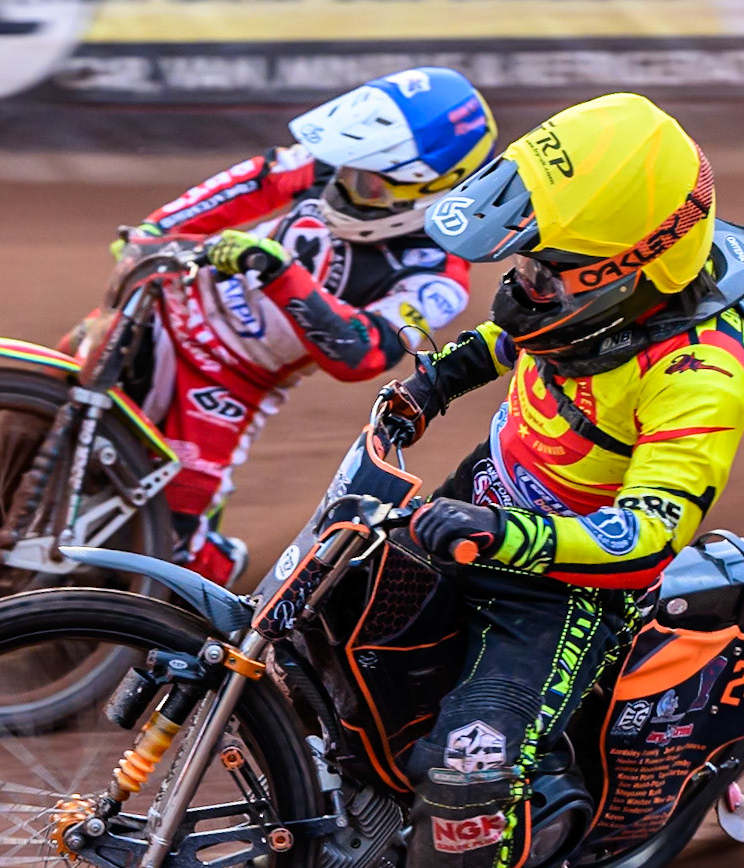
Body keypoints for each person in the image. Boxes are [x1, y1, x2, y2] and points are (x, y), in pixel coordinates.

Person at [360, 92, 744, 868]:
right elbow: (510, 334)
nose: (525, 284)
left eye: (552, 270)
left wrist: (518, 542)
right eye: (530, 260)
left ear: (633, 270)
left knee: (473, 762)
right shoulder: (582, 295)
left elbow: (655, 527)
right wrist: (433, 381)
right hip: (483, 503)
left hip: (571, 585)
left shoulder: (705, 366)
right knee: (337, 629)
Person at [103, 66, 497, 584]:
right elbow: (255, 180)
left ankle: (222, 580)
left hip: (229, 385)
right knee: (39, 408)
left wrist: (279, 274)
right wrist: (156, 232)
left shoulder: (437, 276)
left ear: (428, 190)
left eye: (368, 183)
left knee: (177, 548)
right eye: (345, 170)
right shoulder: (330, 166)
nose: (345, 186)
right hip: (166, 308)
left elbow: (364, 355)